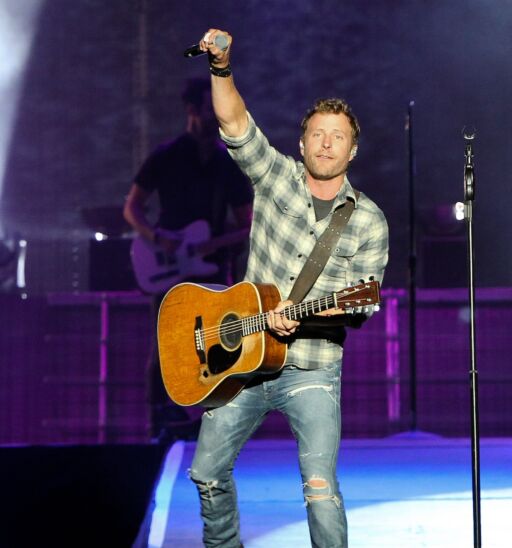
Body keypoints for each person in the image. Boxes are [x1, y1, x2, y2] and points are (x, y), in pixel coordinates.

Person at [185, 29, 389, 548]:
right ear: (302, 144)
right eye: (317, 133)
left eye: (337, 135)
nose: (326, 142)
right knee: (206, 473)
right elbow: (234, 123)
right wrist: (221, 66)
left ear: (353, 149)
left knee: (320, 490)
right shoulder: (276, 177)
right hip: (245, 362)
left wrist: (306, 316)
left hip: (314, 369)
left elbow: (360, 306)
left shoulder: (368, 221)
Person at [123, 77, 253, 440]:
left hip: (208, 267)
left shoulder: (227, 165)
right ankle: (158, 424)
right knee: (165, 344)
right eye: (212, 107)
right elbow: (132, 208)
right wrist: (156, 237)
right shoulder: (166, 156)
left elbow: (247, 224)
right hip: (166, 267)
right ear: (193, 110)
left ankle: (209, 423)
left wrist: (218, 243)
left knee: (217, 346)